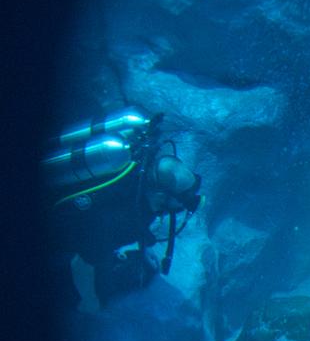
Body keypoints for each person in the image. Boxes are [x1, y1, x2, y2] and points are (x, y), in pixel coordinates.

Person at [46, 111, 203, 312]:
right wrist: (95, 299)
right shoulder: (124, 211)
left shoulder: (138, 161)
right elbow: (91, 255)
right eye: (178, 203)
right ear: (160, 197)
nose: (176, 210)